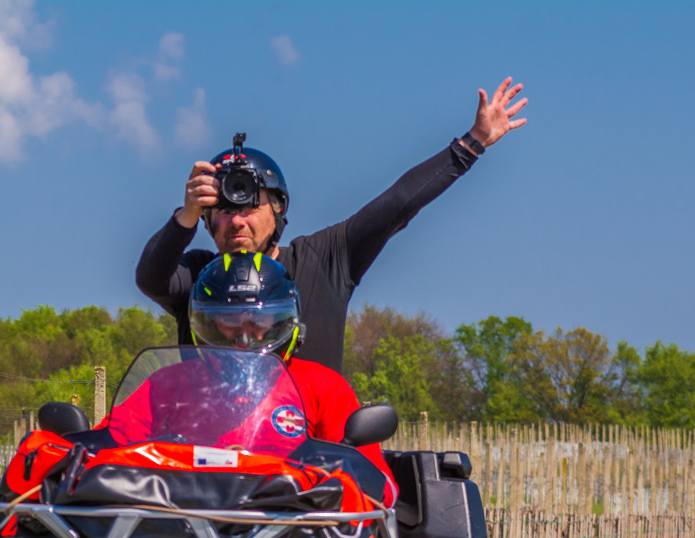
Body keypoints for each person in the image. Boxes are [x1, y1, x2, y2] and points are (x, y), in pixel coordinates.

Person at [135, 78, 528, 374]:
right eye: (219, 209)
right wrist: (184, 214)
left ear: (278, 210)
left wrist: (471, 144)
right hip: (214, 460)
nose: (236, 220)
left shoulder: (324, 260)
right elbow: (151, 278)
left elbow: (396, 205)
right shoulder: (199, 275)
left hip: (308, 471)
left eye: (251, 207)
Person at [108, 252, 397, 504]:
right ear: (207, 322)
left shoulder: (323, 385)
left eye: (258, 321)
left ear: (283, 322)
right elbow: (108, 443)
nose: (244, 336)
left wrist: (313, 475)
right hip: (180, 536)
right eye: (230, 320)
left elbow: (381, 490)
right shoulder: (168, 384)